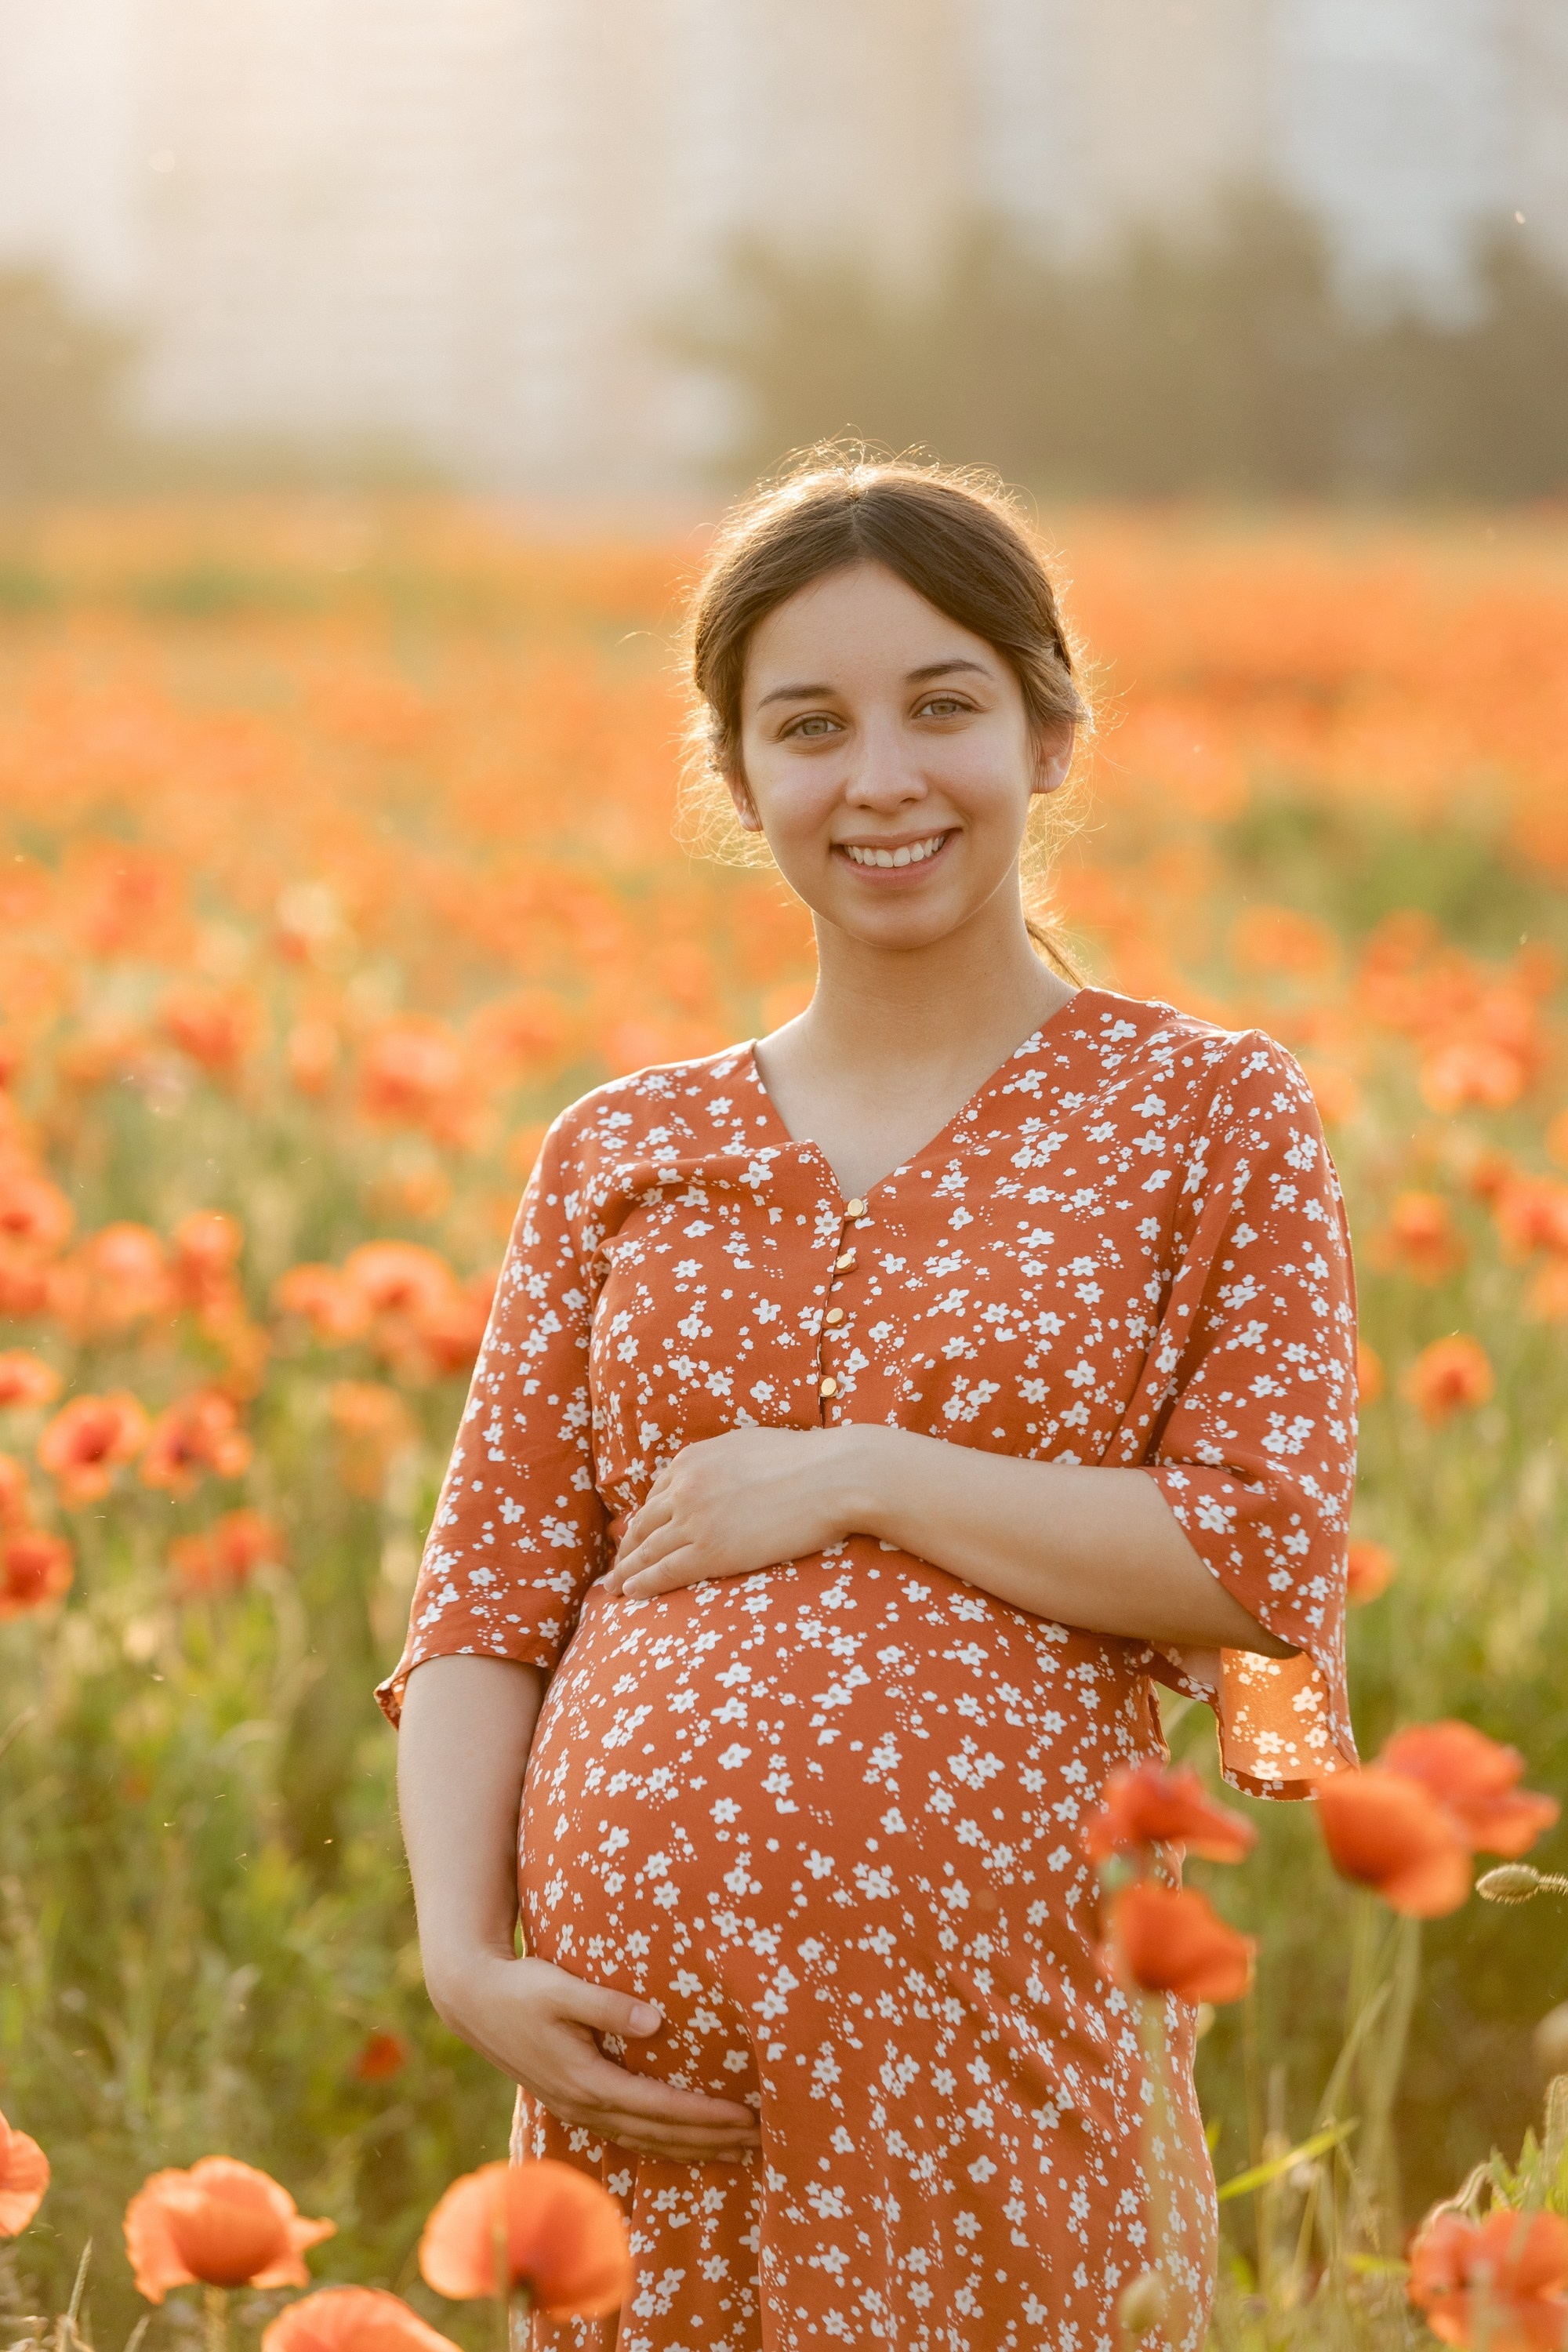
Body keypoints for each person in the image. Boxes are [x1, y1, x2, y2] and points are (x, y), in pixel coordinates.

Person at [381, 456, 1359, 2352]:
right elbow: (490, 1597)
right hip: (643, 2090)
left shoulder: (1205, 1115)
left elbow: (1253, 1547)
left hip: (995, 2053)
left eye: (942, 704)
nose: (880, 778)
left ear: (1048, 730)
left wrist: (861, 1476)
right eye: (808, 727)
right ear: (740, 781)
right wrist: (460, 1959)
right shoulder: (620, 1150)